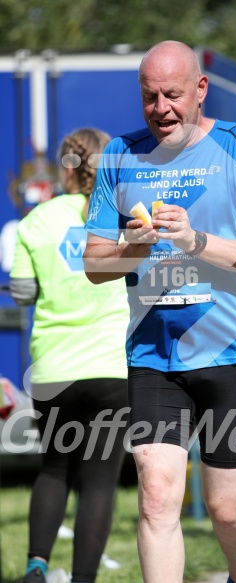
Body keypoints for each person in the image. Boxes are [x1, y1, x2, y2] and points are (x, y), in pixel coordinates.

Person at [83, 40, 236, 583]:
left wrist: (195, 240)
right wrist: (139, 247)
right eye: (150, 97)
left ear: (200, 90)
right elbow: (94, 265)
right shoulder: (120, 156)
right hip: (153, 354)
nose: (161, 109)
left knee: (226, 508)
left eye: (172, 95)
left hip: (230, 351)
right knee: (155, 494)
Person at [10, 128, 129, 583]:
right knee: (98, 481)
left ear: (66, 167)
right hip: (111, 365)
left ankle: (37, 565)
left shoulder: (35, 220)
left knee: (56, 467)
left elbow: (22, 294)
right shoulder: (121, 216)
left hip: (53, 367)